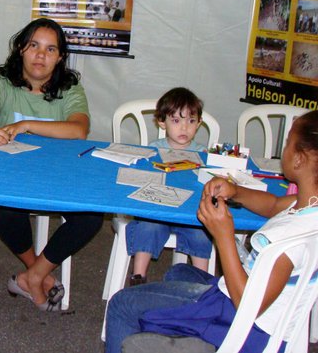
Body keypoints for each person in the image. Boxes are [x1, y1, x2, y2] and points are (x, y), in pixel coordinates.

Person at [106, 109, 318, 353]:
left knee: (121, 304)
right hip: (270, 318)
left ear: (299, 159)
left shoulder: (287, 239)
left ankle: (206, 339)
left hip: (243, 327)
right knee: (179, 272)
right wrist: (236, 191)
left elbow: (248, 305)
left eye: (288, 142)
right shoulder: (308, 209)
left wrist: (224, 235)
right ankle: (191, 338)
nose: (284, 149)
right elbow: (273, 205)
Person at [0, 17, 102, 311]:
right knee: (6, 207)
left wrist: (26, 124)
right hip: (13, 176)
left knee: (91, 216)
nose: (40, 55)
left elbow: (79, 130)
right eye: (34, 46)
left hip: (58, 177)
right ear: (21, 49)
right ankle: (38, 273)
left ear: (60, 57)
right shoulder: (4, 83)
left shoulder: (70, 88)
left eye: (51, 49)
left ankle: (33, 277)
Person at [126, 88, 213, 286]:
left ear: (199, 123)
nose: (184, 127)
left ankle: (202, 282)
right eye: (176, 120)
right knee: (147, 227)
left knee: (201, 233)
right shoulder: (153, 149)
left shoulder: (203, 153)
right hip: (158, 209)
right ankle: (138, 276)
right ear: (162, 122)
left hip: (189, 212)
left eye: (191, 121)